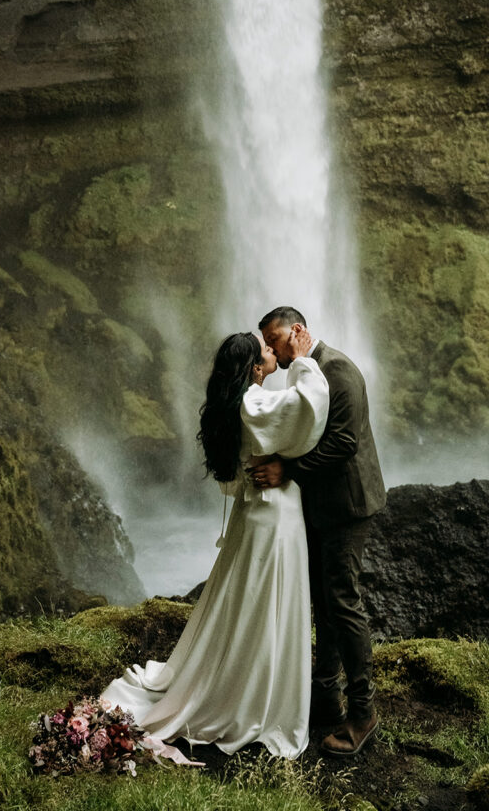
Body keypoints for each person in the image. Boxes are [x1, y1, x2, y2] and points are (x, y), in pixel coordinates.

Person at [100, 330, 329, 760]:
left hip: (258, 514)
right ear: (254, 369)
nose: (271, 349)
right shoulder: (254, 403)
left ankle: (248, 682)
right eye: (265, 350)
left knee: (252, 602)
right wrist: (302, 360)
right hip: (272, 518)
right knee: (265, 606)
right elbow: (307, 410)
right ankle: (254, 695)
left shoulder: (238, 405)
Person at [253, 306, 386, 757]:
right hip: (321, 506)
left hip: (349, 506)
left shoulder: (339, 370)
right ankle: (326, 697)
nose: (273, 352)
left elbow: (344, 444)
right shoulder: (303, 372)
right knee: (323, 602)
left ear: (299, 331)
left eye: (277, 342)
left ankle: (364, 713)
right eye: (267, 347)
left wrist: (285, 469)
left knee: (343, 602)